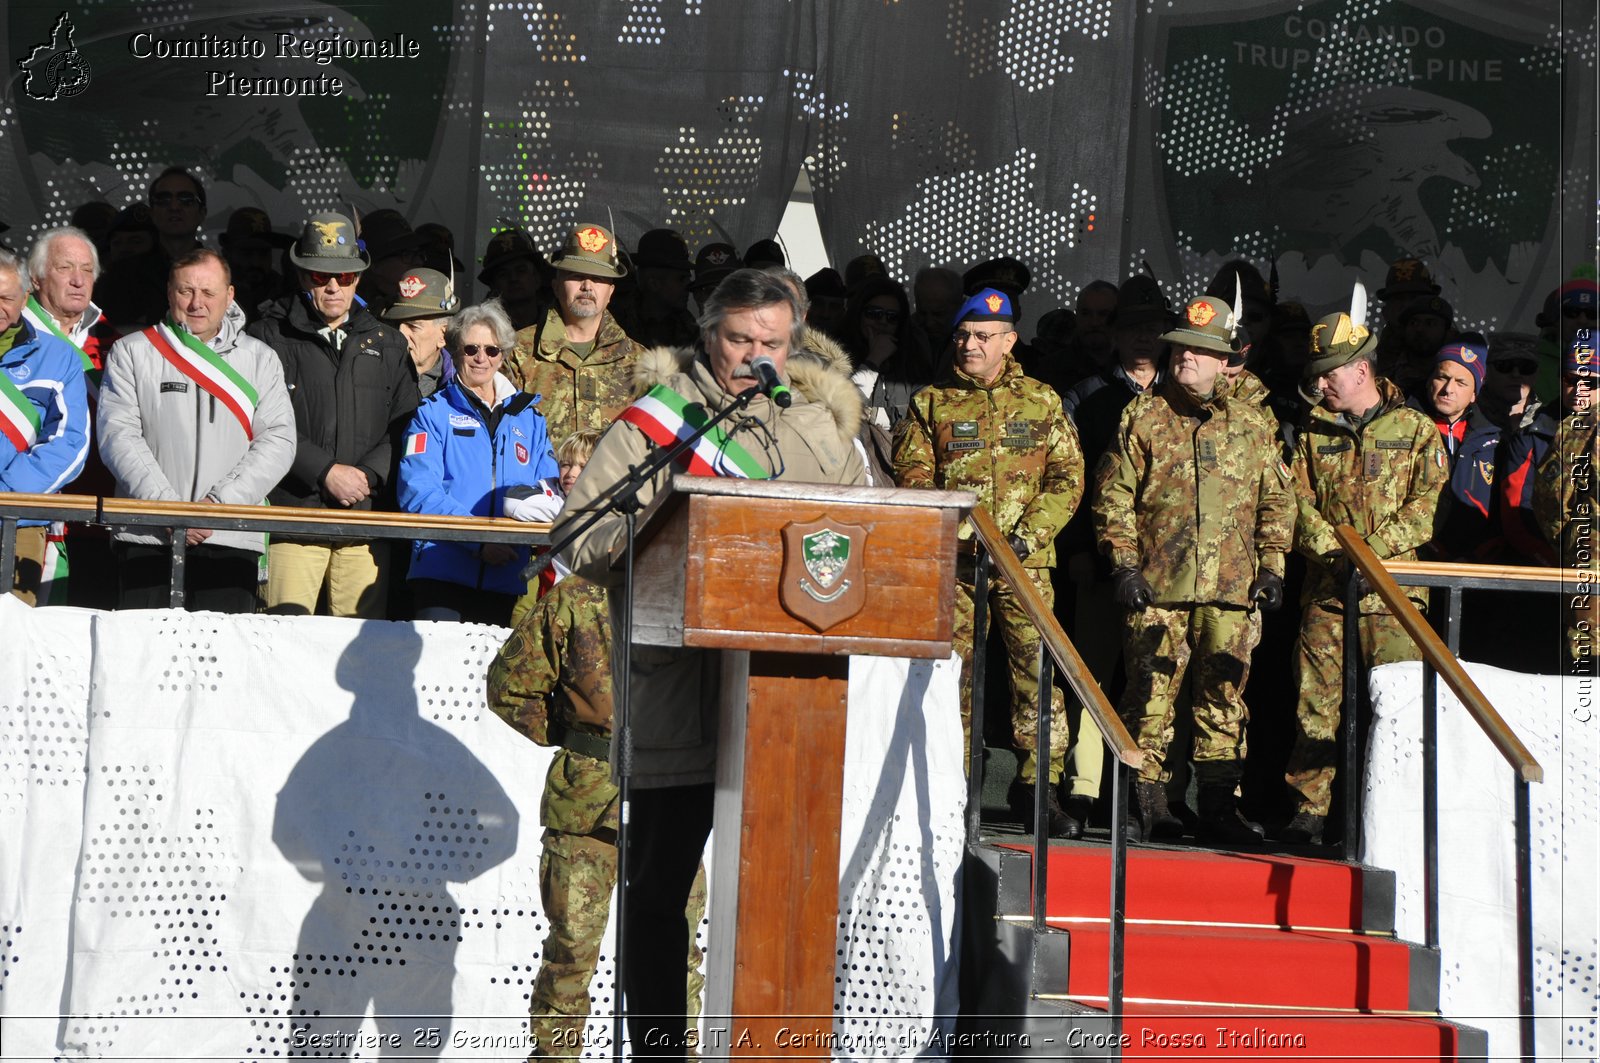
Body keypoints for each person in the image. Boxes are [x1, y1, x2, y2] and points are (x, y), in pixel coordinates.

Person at [555, 268, 865, 1059]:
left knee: (780, 893)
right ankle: (659, 1050)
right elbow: (577, 538)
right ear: (707, 333)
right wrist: (665, 500)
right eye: (738, 338)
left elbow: (861, 530)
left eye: (771, 341)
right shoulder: (659, 420)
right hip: (679, 692)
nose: (753, 355)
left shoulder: (813, 421)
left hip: (787, 697)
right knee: (659, 891)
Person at [487, 428, 707, 1060]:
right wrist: (574, 738)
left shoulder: (686, 591)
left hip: (670, 790)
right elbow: (509, 688)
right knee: (571, 956)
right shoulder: (574, 601)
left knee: (675, 952)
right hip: (586, 803)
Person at [1092, 294, 1292, 844]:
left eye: (1201, 352)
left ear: (1226, 361)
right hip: (1158, 587)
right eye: (1181, 347)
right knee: (1148, 698)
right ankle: (1147, 805)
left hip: (1231, 589)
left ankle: (1218, 808)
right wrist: (1125, 567)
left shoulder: (1252, 423)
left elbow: (1277, 500)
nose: (1187, 359)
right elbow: (1113, 496)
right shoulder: (1144, 415)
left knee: (1224, 700)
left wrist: (1271, 566)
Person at [893, 288, 1085, 836]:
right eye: (962, 334)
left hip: (1026, 566)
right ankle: (950, 786)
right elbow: (914, 479)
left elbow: (1067, 478)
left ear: (1008, 341)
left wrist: (1028, 535)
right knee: (951, 677)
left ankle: (1038, 790)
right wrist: (958, 534)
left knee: (1038, 674)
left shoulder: (1043, 401)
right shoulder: (931, 402)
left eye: (981, 336)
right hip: (955, 566)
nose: (969, 344)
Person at [1281, 307, 1447, 845]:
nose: (1321, 382)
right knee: (1315, 703)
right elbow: (1293, 503)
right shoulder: (1311, 432)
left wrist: (1370, 552)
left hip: (1393, 595)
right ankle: (1309, 812)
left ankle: (1394, 812)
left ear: (1362, 370)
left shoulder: (1417, 429)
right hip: (1328, 591)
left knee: (1397, 705)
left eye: (1331, 371)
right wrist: (1335, 551)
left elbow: (1430, 507)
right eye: (1317, 373)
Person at [97, 250, 295, 612]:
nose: (196, 303)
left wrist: (217, 508)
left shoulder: (261, 358)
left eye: (208, 292)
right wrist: (168, 510)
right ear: (170, 293)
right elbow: (118, 436)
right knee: (144, 658)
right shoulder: (131, 352)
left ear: (230, 295)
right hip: (147, 532)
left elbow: (278, 440)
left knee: (221, 660)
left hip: (231, 532)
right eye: (186, 291)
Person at [249, 212, 419, 618]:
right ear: (300, 273)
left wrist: (369, 475)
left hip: (365, 523)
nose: (331, 286)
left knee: (359, 657)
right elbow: (260, 421)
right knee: (283, 647)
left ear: (359, 277)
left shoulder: (389, 342)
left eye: (343, 277)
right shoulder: (266, 336)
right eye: (319, 275)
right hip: (294, 518)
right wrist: (325, 470)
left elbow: (408, 424)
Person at [397, 303, 558, 625]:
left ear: (503, 354)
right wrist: (478, 540)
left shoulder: (530, 420)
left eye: (491, 349)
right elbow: (417, 492)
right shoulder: (431, 414)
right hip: (441, 572)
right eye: (471, 348)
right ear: (456, 351)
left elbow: (549, 491)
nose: (481, 358)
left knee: (485, 674)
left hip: (506, 575)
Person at [23, 226, 121, 605]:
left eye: (87, 269)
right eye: (65, 268)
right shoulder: (13, 332)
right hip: (27, 514)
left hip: (97, 521)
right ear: (36, 276)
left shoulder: (113, 339)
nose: (79, 280)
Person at [0, 248, 90, 605]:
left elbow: (70, 441)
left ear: (24, 298)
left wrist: (9, 493)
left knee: (10, 643)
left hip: (19, 521)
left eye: (6, 297)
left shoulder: (58, 356)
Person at [503, 223, 640, 446]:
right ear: (556, 286)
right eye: (576, 276)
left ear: (611, 293)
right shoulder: (516, 353)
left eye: (598, 278)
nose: (587, 286)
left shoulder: (640, 363)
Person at [1533, 329, 1599, 671]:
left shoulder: (1586, 426)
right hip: (1576, 565)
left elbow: (1564, 503)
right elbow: (1551, 497)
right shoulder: (1569, 427)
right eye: (1571, 379)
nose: (1579, 389)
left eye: (1592, 381)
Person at [1412, 342, 1501, 560]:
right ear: (1429, 380)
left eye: (1461, 382)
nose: (1448, 389)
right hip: (1413, 557)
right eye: (1442, 377)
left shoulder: (1493, 439)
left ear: (1474, 394)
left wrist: (1477, 554)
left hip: (1475, 564)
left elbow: (1503, 511)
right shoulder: (1402, 429)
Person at [380, 268, 460, 398]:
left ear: (443, 335)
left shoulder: (463, 384)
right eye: (396, 324)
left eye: (413, 327)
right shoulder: (369, 373)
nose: (401, 333)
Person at [479, 229, 553, 332]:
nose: (513, 278)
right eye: (503, 274)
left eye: (521, 271)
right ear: (493, 285)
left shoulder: (559, 326)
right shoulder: (482, 330)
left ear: (537, 278)